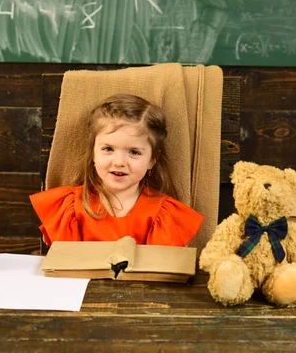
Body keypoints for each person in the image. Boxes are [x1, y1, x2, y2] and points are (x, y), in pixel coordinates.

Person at [30, 94, 204, 247]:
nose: (119, 162)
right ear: (93, 153)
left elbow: (158, 274)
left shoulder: (163, 215)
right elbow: (67, 268)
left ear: (152, 160)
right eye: (108, 149)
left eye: (134, 152)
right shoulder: (70, 208)